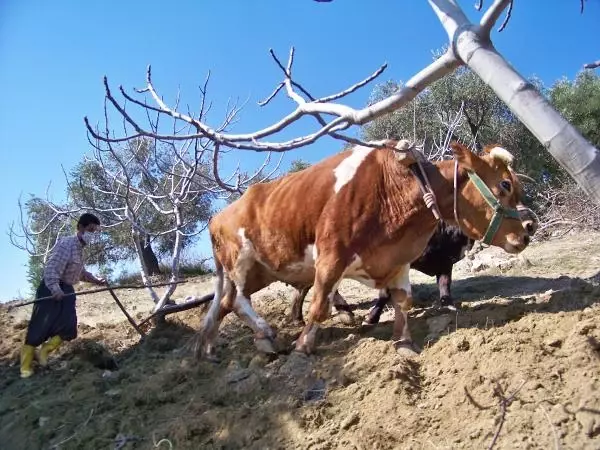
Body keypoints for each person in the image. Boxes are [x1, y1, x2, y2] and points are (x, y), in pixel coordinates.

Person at [20, 213, 107, 378]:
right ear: (80, 227)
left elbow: (78, 272)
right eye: (90, 230)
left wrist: (96, 280)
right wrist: (54, 287)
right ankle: (25, 367)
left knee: (68, 326)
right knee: (39, 326)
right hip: (50, 287)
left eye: (94, 231)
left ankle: (44, 352)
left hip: (66, 289)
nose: (91, 234)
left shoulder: (80, 250)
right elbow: (52, 267)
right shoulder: (67, 244)